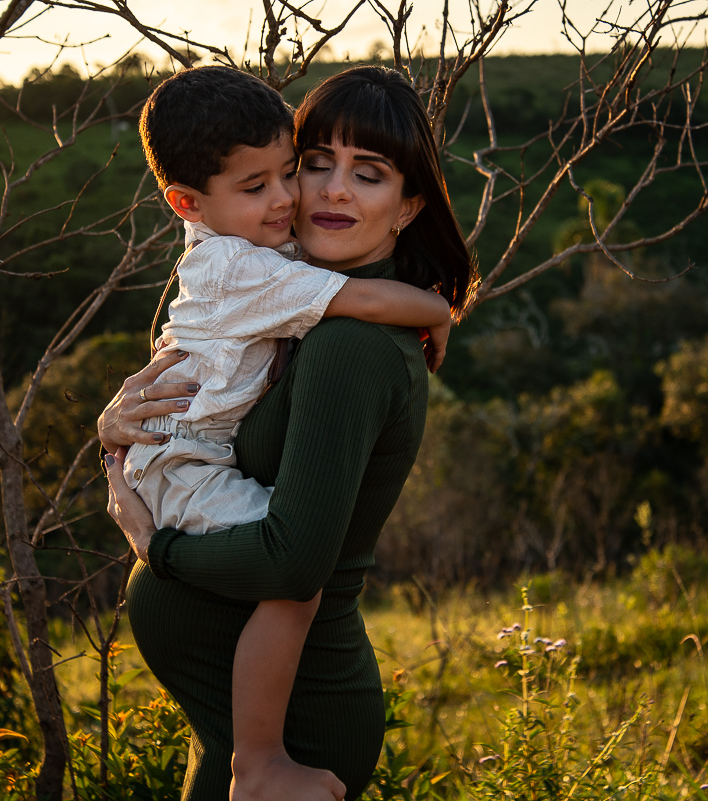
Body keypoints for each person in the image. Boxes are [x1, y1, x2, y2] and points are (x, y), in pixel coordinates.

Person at [100, 65, 477, 801]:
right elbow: (198, 370)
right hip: (239, 716)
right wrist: (115, 427)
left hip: (297, 726)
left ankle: (258, 756)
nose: (327, 191)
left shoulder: (349, 344)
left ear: (406, 208)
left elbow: (291, 562)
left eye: (367, 175)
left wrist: (158, 549)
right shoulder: (282, 281)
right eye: (314, 165)